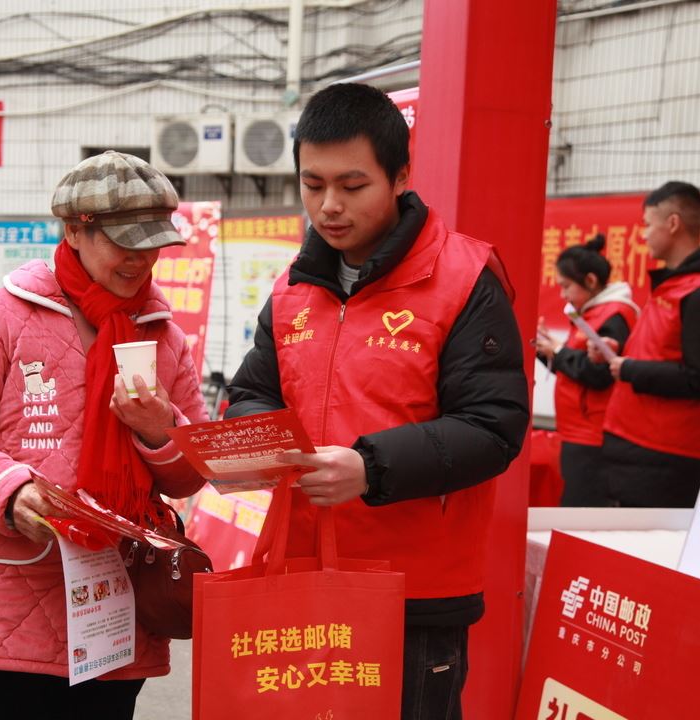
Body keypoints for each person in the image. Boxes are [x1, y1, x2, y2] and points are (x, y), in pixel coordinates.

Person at [225, 83, 529, 720]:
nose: (329, 206)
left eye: (352, 185)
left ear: (400, 176)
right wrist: (262, 441)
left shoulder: (464, 279)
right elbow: (253, 393)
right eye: (313, 184)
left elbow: (492, 428)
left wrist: (370, 467)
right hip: (301, 577)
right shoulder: (291, 290)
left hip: (413, 594)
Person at [0, 150, 209, 719]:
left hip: (114, 616)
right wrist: (8, 490)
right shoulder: (3, 315)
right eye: (124, 242)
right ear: (75, 230)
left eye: (152, 244)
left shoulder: (164, 337)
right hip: (2, 612)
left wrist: (160, 431)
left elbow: (190, 474)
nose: (140, 259)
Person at [591, 181, 700, 507]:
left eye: (647, 224)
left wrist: (629, 369)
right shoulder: (674, 286)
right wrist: (617, 351)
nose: (643, 235)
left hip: (665, 457)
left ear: (673, 223)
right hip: (636, 447)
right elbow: (660, 353)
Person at [535, 234, 639, 506]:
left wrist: (559, 352)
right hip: (577, 431)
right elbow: (575, 369)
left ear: (590, 281)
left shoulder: (614, 315)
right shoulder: (592, 313)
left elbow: (600, 374)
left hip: (593, 435)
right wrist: (547, 350)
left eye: (566, 286)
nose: (563, 295)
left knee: (580, 513)